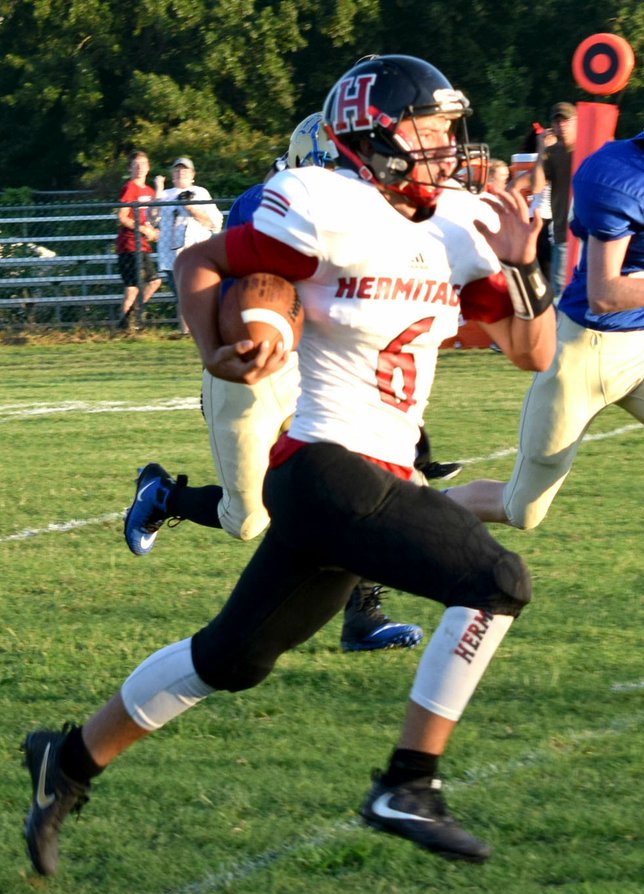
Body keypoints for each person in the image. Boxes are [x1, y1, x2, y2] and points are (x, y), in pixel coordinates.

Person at [22, 54, 557, 875]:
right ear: (372, 136)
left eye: (452, 131)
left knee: (228, 659)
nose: (449, 148)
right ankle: (408, 782)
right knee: (497, 579)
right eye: (431, 130)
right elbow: (200, 262)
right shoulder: (322, 202)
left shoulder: (460, 221)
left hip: (373, 478)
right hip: (321, 465)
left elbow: (532, 351)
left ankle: (68, 759)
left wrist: (524, 265)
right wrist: (220, 351)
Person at [445, 65, 644, 674]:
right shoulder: (618, 174)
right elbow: (601, 291)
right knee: (523, 509)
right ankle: (401, 516)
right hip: (583, 352)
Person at [124, 113, 444, 652]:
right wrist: (214, 353)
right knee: (247, 519)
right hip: (246, 373)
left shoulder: (374, 214)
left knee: (353, 486)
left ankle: (363, 615)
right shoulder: (267, 202)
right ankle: (163, 496)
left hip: (311, 373)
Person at [156, 156, 223, 333]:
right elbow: (153, 217)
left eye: (184, 171)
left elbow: (215, 222)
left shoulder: (201, 192)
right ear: (172, 174)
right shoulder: (165, 195)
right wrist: (158, 190)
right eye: (177, 171)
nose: (180, 174)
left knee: (200, 293)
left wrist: (192, 208)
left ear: (192, 175)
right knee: (181, 297)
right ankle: (185, 332)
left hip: (197, 253)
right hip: (172, 256)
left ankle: (206, 330)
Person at [531, 102, 577, 299]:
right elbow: (536, 186)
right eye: (557, 122)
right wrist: (542, 150)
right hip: (563, 233)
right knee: (560, 293)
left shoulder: (592, 145)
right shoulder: (552, 153)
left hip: (592, 234)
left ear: (577, 123)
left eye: (565, 121)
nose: (561, 126)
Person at [115, 150, 162, 329]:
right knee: (133, 287)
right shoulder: (130, 187)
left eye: (143, 164)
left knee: (153, 281)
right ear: (130, 169)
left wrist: (151, 230)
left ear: (149, 167)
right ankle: (127, 324)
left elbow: (150, 217)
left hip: (142, 245)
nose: (140, 168)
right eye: (136, 166)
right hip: (129, 244)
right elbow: (122, 216)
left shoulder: (149, 191)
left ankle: (129, 319)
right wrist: (142, 228)